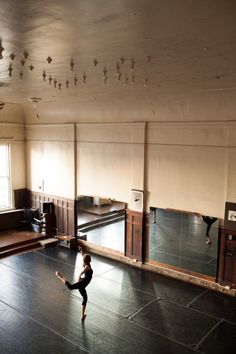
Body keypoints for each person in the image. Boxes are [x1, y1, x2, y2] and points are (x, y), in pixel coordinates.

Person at [55, 253, 93, 321]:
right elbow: (82, 272)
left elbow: (84, 258)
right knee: (70, 287)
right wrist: (79, 276)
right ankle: (60, 276)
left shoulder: (87, 264)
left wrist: (82, 252)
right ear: (88, 260)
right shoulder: (87, 266)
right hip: (82, 283)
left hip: (83, 285)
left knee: (85, 298)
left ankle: (83, 316)